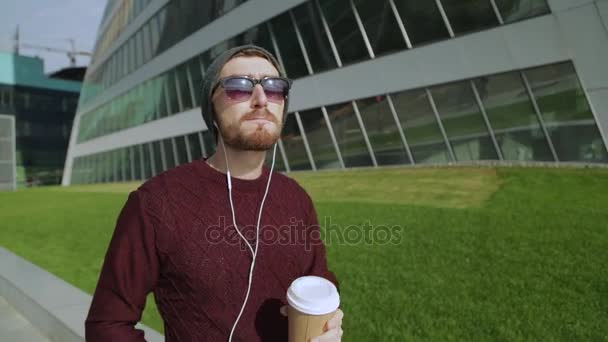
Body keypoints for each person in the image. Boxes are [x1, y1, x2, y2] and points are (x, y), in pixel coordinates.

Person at [85, 44, 344, 342]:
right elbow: (107, 325)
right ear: (212, 107)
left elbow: (319, 282)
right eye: (238, 87)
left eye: (274, 88)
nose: (261, 99)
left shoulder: (296, 198)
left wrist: (330, 320)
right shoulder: (155, 202)